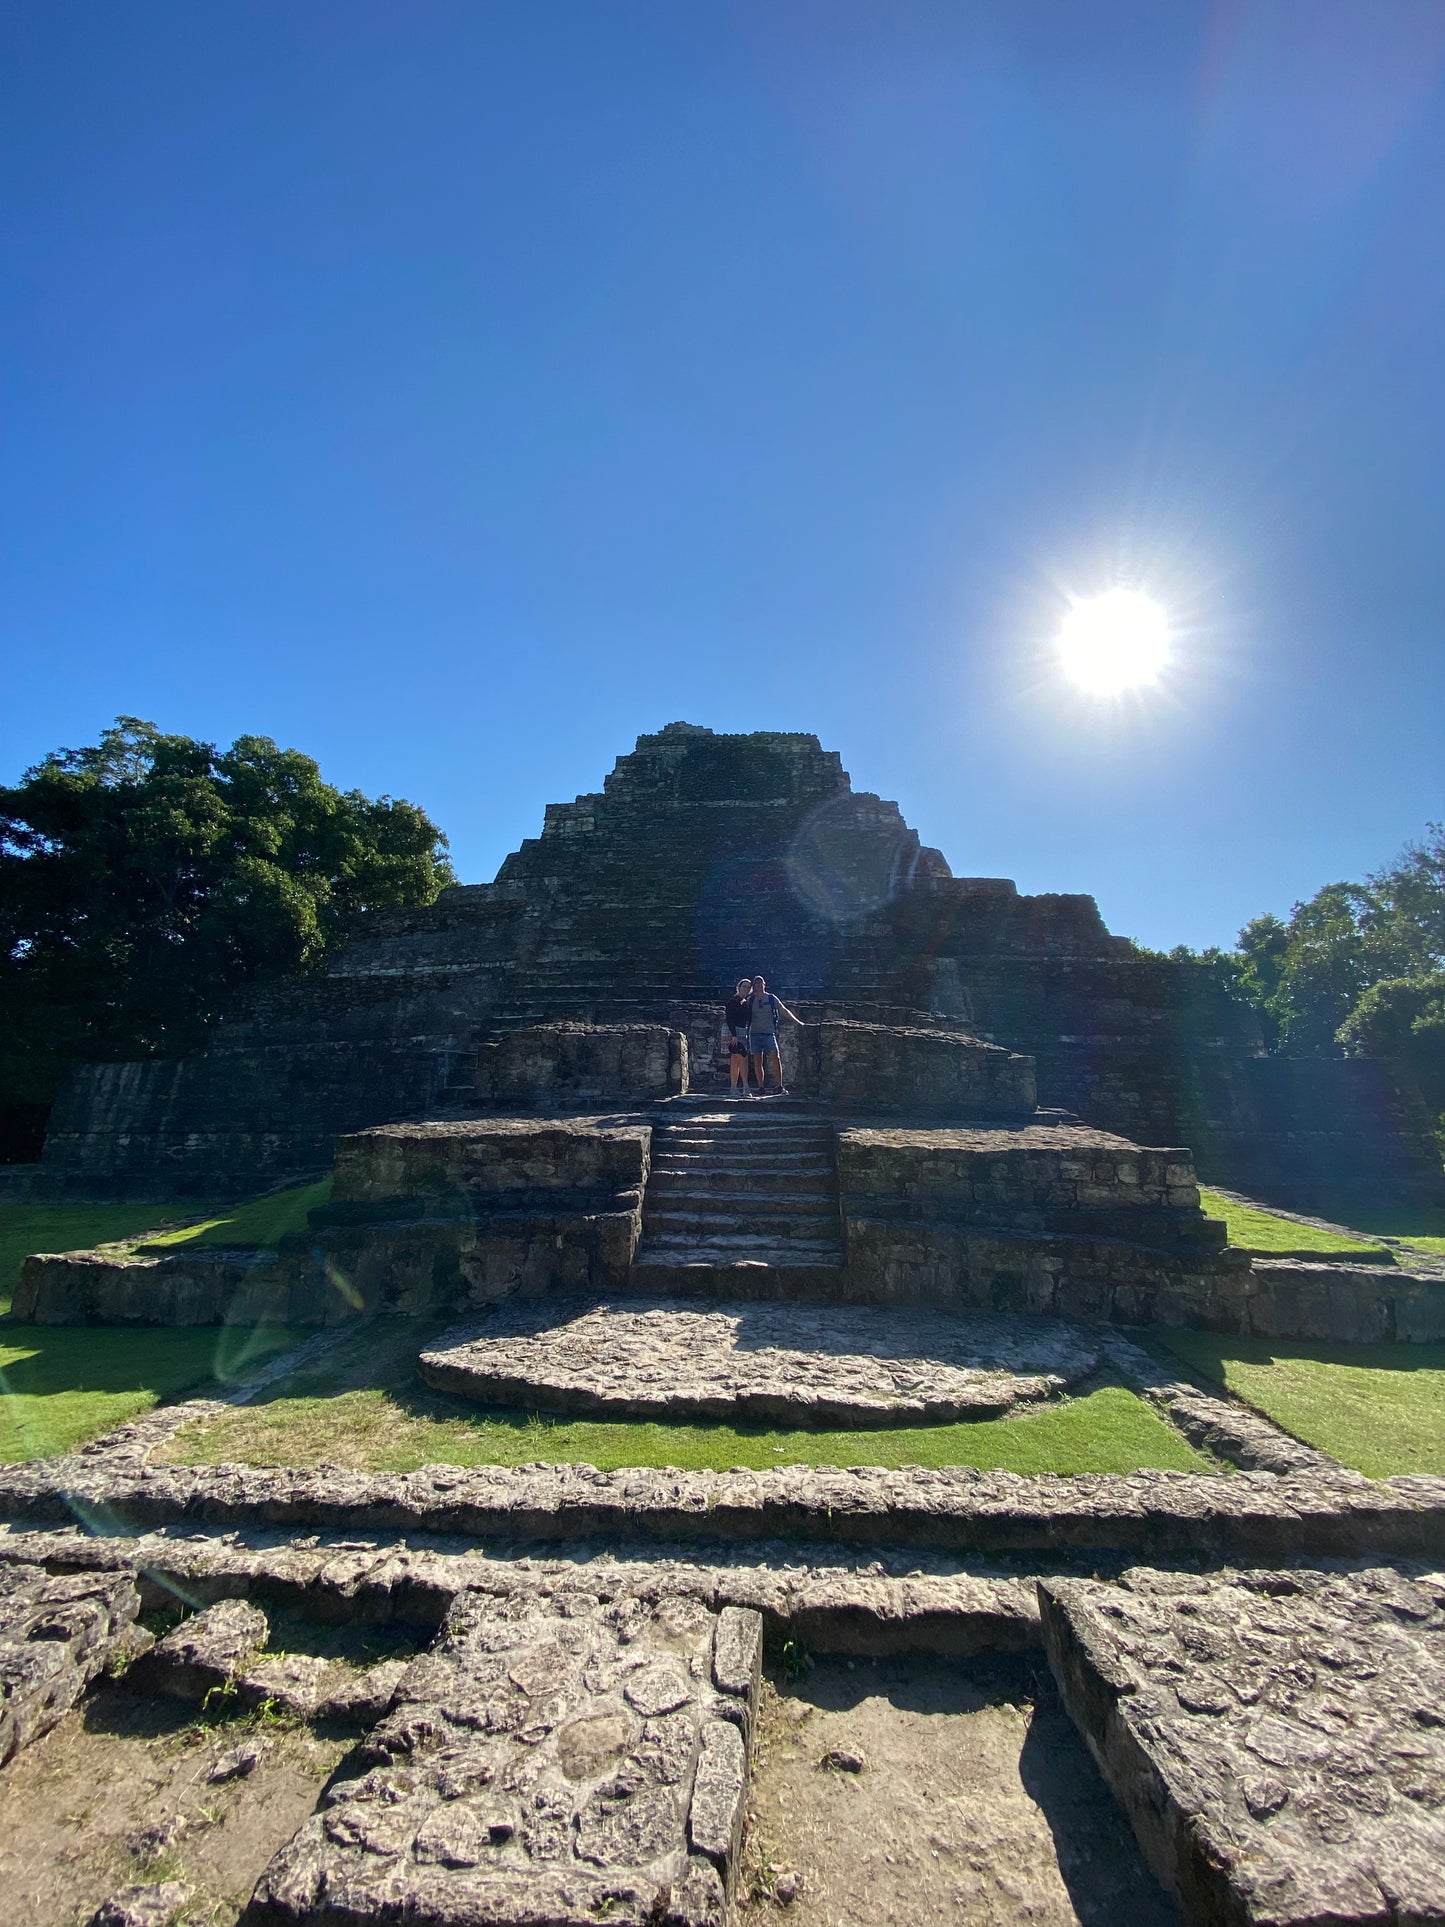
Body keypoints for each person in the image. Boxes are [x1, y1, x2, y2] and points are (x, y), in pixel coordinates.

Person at [748, 975, 805, 1094]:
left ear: (764, 984)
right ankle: (761, 1087)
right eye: (756, 983)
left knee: (775, 1058)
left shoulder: (771, 998)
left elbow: (783, 1010)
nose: (758, 985)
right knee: (757, 1060)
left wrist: (797, 1021)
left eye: (760, 983)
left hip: (769, 1033)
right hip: (754, 1034)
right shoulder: (750, 1000)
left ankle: (779, 1086)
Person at [723, 978, 756, 1098]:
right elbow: (730, 1019)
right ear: (739, 987)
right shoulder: (733, 1002)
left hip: (740, 1032)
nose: (746, 989)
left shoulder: (744, 1002)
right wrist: (734, 1035)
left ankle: (734, 1088)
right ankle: (745, 1087)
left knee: (736, 1061)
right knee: (742, 1059)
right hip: (734, 1033)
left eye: (748, 987)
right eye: (744, 986)